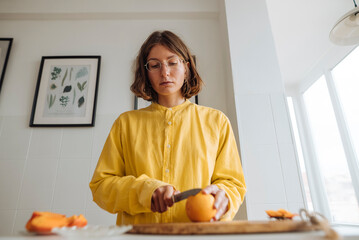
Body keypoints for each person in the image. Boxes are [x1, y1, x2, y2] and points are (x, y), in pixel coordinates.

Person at [89, 30, 246, 225]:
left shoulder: (217, 121)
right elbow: (101, 187)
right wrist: (146, 191)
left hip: (200, 237)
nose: (165, 72)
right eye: (155, 65)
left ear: (186, 68)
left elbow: (233, 184)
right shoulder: (125, 123)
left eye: (172, 63)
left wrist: (224, 196)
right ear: (146, 72)